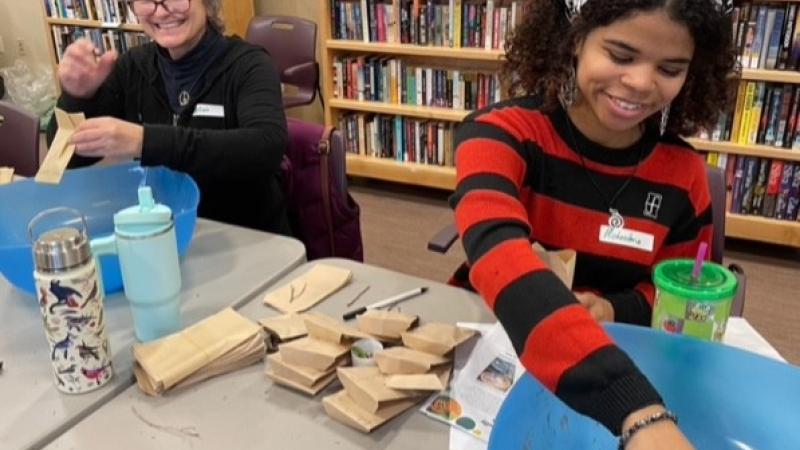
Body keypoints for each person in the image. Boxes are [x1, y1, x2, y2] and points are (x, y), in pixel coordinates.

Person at [450, 0, 736, 448]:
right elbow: (498, 252)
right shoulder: (500, 134)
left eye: (671, 68)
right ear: (575, 39)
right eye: (621, 56)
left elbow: (671, 295)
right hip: (502, 346)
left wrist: (611, 310)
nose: (641, 82)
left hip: (618, 364)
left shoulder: (684, 174)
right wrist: (638, 412)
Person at [51, 0, 290, 235]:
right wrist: (79, 97)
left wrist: (144, 141)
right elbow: (65, 155)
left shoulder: (250, 65)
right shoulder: (133, 67)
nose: (162, 11)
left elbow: (265, 147)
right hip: (163, 234)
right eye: (147, 1)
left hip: (248, 237)